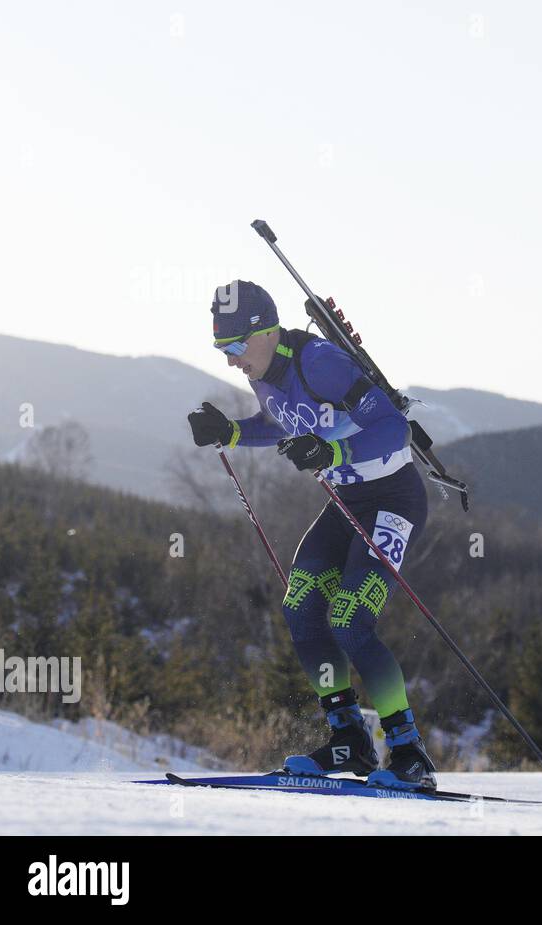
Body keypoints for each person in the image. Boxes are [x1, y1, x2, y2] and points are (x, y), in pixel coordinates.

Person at [187, 280, 436, 791]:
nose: (232, 361)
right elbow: (282, 422)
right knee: (300, 608)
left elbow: (394, 429)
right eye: (221, 350)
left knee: (348, 618)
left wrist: (333, 454)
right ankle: (348, 738)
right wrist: (231, 432)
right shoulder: (263, 372)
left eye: (235, 346)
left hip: (392, 499)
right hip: (344, 504)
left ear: (265, 331)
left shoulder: (319, 361)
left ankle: (409, 752)